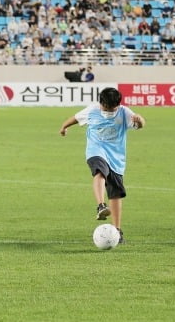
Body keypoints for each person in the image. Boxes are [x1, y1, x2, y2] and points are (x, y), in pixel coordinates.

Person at [59, 87, 146, 244]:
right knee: (100, 172)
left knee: (116, 193)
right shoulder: (92, 110)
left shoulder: (124, 112)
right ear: (101, 103)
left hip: (116, 156)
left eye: (113, 108)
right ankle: (100, 205)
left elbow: (139, 125)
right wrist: (64, 127)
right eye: (106, 108)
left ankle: (117, 231)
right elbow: (76, 118)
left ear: (118, 105)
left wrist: (140, 121)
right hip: (96, 150)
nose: (109, 111)